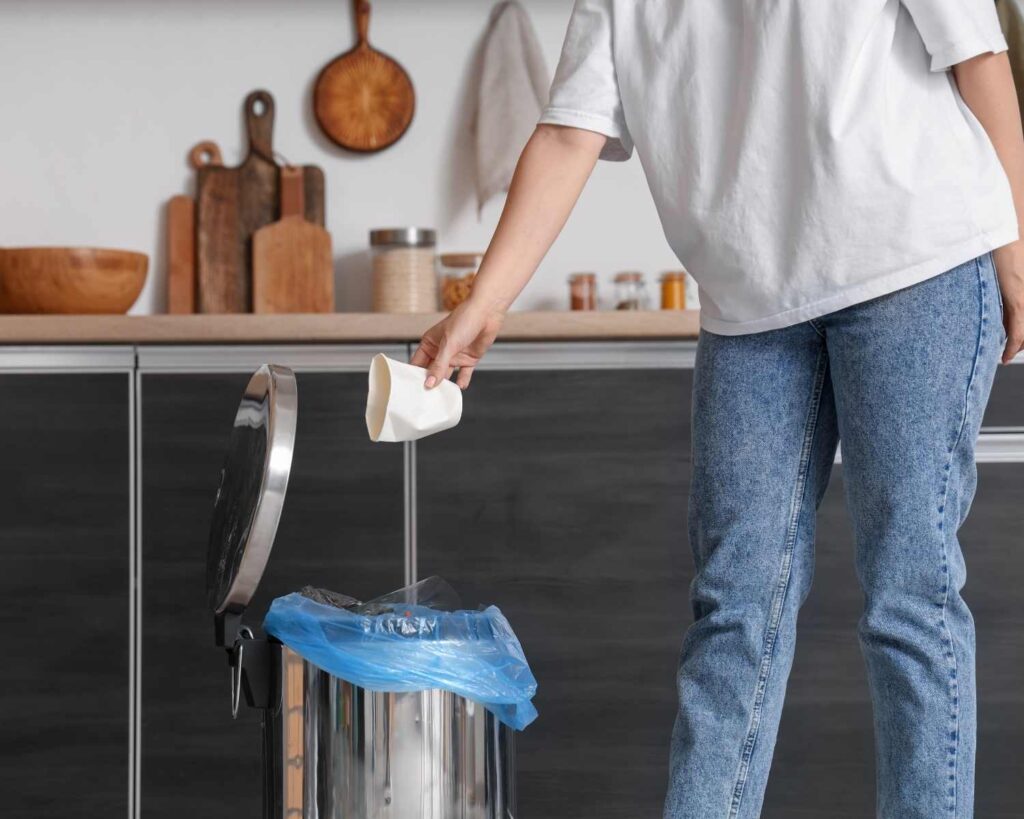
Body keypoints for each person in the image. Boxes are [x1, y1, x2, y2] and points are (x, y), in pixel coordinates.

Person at [411, 2, 1024, 816]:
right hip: (750, 307)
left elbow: (978, 57)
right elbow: (569, 132)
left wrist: (1015, 252)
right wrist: (483, 301)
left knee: (909, 593)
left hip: (917, 264)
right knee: (732, 610)